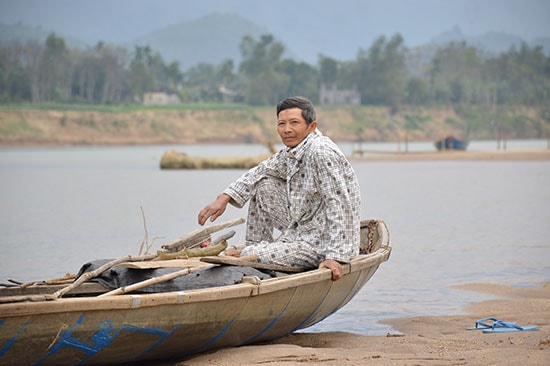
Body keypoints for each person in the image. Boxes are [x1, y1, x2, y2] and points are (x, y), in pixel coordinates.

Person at [198, 96, 361, 281]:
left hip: (323, 243)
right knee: (263, 184)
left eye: (294, 123)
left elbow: (338, 204)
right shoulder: (295, 150)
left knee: (248, 254)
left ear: (312, 126)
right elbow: (260, 171)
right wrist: (224, 198)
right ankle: (258, 245)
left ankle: (256, 251)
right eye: (281, 124)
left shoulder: (321, 153)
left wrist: (335, 257)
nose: (287, 130)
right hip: (304, 228)